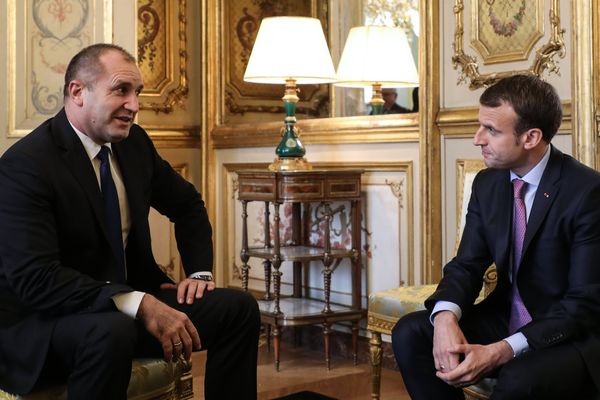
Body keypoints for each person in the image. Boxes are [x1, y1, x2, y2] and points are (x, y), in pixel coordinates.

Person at [0, 43, 260, 400]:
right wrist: (139, 303)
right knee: (111, 332)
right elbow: (37, 279)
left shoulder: (133, 144)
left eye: (137, 92)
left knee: (238, 309)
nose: (135, 105)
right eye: (121, 90)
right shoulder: (26, 165)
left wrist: (199, 274)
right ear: (78, 92)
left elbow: (187, 205)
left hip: (123, 305)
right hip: (46, 321)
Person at [392, 74, 600, 399]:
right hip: (506, 316)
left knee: (519, 377)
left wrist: (503, 350)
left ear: (530, 137)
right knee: (411, 331)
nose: (478, 139)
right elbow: (467, 265)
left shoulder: (587, 191)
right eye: (480, 126)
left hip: (570, 334)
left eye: (491, 130)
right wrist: (446, 317)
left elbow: (582, 304)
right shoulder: (487, 184)